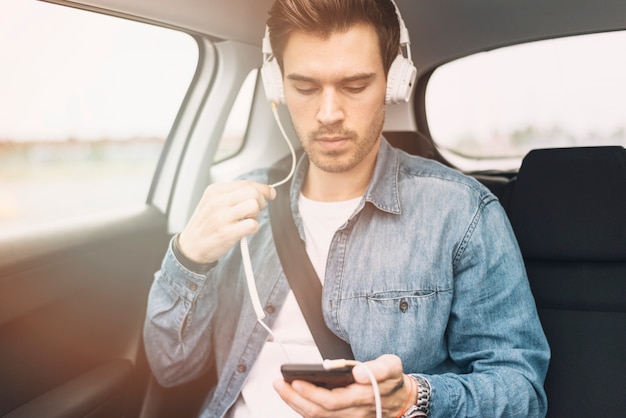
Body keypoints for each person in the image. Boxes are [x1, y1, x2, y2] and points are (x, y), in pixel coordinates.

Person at [143, 0, 550, 416]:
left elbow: (522, 392)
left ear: (394, 82)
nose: (328, 114)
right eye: (304, 87)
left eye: (355, 86)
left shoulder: (461, 212)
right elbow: (171, 370)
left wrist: (412, 399)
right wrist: (189, 258)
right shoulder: (234, 206)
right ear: (276, 85)